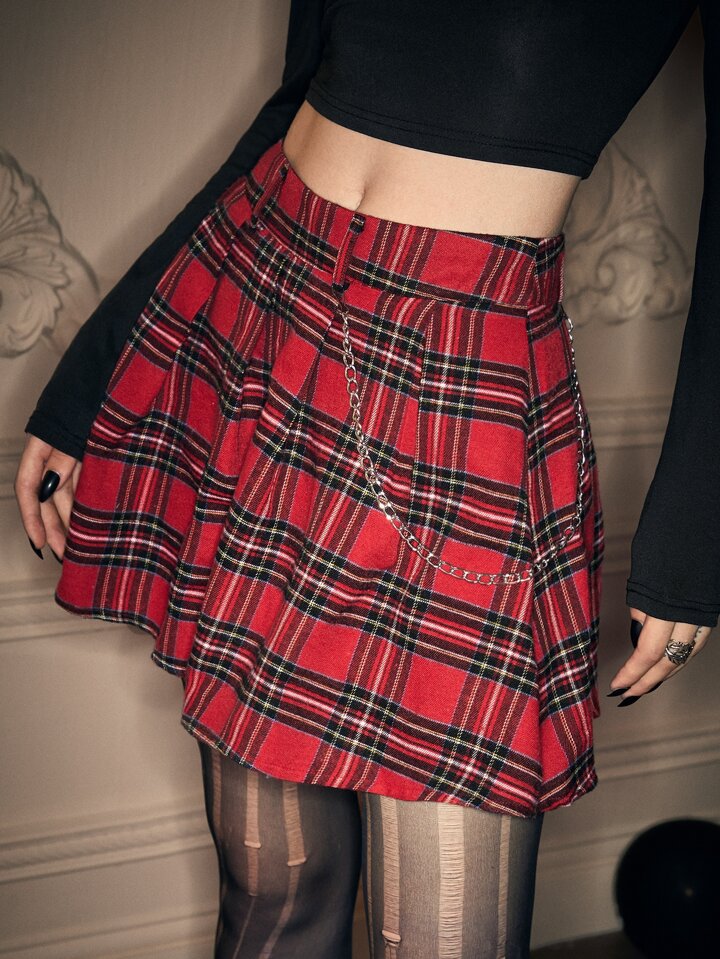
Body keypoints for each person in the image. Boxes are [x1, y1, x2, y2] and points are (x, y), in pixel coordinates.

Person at [13, 2, 718, 957]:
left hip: (462, 364)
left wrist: (697, 538)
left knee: (444, 933)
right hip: (271, 302)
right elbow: (291, 104)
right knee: (274, 886)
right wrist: (95, 373)